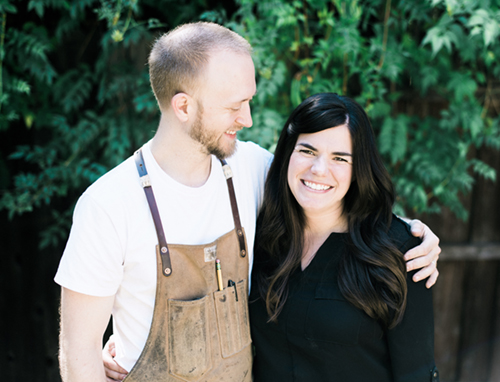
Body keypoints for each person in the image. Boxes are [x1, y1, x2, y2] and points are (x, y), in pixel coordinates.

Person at [54, 22, 439, 382]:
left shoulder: (251, 168)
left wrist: (410, 236)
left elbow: (326, 187)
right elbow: (79, 352)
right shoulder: (108, 205)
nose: (249, 118)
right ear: (184, 107)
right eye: (234, 105)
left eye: (249, 100)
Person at [249, 93, 439, 381]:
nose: (319, 169)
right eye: (307, 151)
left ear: (358, 169)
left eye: (339, 158)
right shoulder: (259, 236)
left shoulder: (400, 252)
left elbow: (417, 372)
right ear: (288, 152)